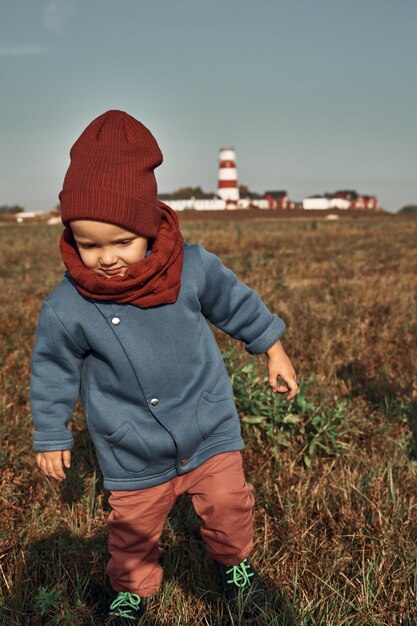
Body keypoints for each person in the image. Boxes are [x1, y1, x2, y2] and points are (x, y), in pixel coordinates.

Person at [30, 110, 298, 625]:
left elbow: (236, 305)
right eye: (89, 245)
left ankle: (235, 569)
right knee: (132, 527)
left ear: (150, 228)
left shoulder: (192, 267)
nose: (106, 259)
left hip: (208, 423)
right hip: (131, 445)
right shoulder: (67, 305)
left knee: (228, 506)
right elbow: (53, 369)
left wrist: (272, 347)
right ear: (70, 238)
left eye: (121, 242)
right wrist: (51, 432)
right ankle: (130, 591)